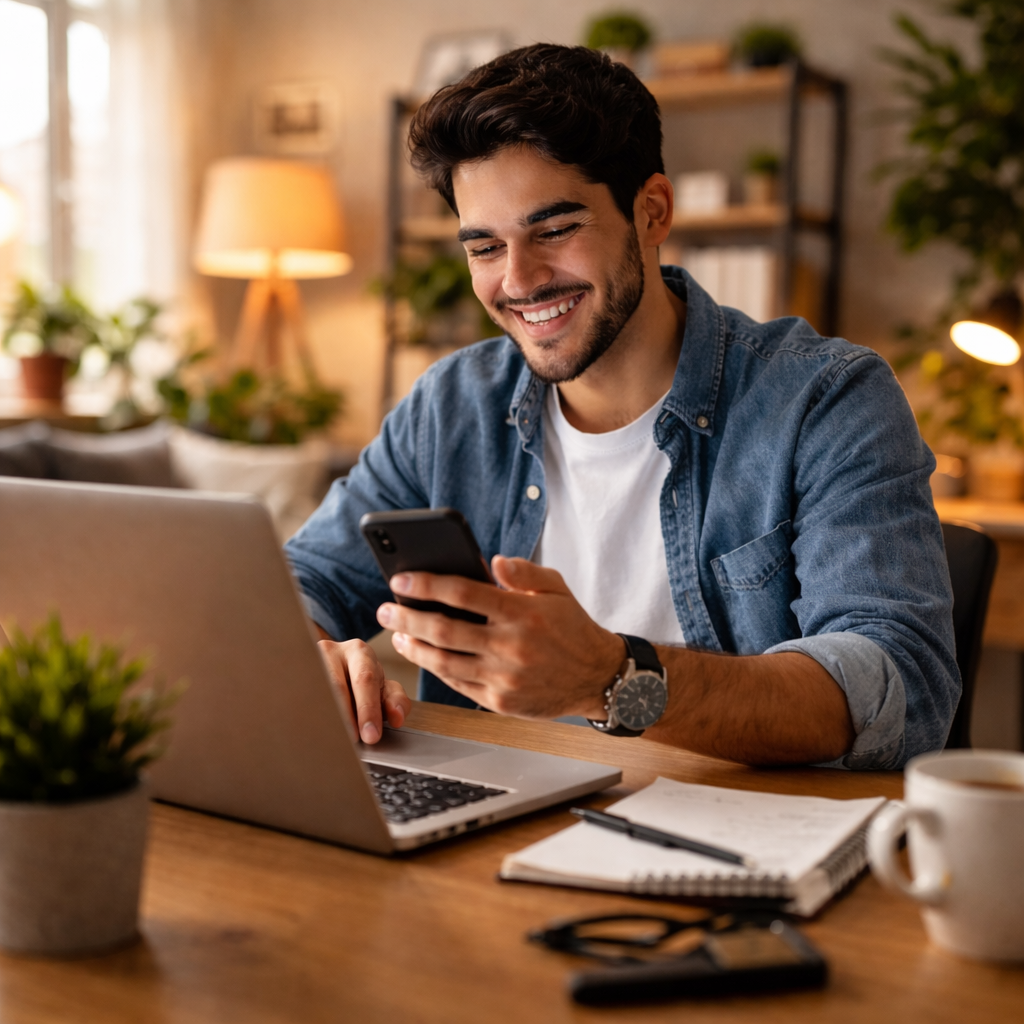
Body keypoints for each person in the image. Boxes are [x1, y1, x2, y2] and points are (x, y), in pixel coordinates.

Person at [285, 43, 958, 769]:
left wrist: (611, 678)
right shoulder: (451, 405)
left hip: (736, 840)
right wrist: (313, 652)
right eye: (485, 247)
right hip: (488, 835)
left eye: (554, 230)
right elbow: (304, 580)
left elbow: (899, 689)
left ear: (653, 211)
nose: (520, 280)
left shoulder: (826, 401)